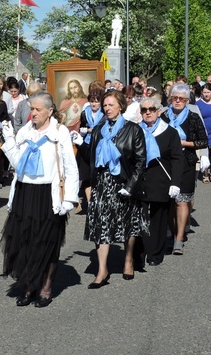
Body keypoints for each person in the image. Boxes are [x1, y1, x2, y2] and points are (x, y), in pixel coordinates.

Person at [0, 92, 79, 307]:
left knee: (47, 243)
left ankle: (45, 287)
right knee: (25, 242)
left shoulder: (60, 132)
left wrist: (69, 199)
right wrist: (8, 141)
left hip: (48, 195)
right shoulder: (26, 131)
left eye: (37, 110)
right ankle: (28, 286)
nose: (32, 113)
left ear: (50, 111)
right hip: (25, 193)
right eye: (31, 109)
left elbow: (71, 168)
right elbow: (18, 164)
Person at [77, 89, 146, 285]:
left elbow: (140, 161)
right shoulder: (99, 129)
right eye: (105, 105)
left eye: (110, 105)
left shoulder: (133, 129)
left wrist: (131, 186)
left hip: (124, 183)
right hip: (102, 183)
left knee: (128, 225)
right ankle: (102, 270)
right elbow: (92, 156)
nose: (106, 108)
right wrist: (81, 144)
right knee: (101, 226)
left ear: (121, 106)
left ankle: (128, 260)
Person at [137, 96, 184, 267]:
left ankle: (156, 252)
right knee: (139, 218)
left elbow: (178, 159)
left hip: (161, 181)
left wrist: (175, 183)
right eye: (144, 110)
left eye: (151, 109)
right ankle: (140, 252)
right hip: (140, 182)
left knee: (159, 218)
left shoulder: (170, 132)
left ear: (158, 111)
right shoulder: (135, 130)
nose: (148, 112)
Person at [161, 84, 207, 255]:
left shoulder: (193, 117)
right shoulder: (163, 116)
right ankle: (170, 232)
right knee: (169, 201)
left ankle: (179, 239)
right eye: (175, 98)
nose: (178, 101)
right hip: (166, 164)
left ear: (187, 101)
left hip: (186, 162)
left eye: (181, 99)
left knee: (181, 201)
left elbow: (203, 141)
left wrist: (183, 144)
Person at [76, 88, 105, 212]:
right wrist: (81, 132)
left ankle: (98, 201)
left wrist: (89, 130)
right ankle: (90, 203)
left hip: (99, 145)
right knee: (85, 175)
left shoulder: (104, 114)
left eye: (97, 101)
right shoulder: (84, 113)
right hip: (86, 144)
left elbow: (103, 130)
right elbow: (82, 126)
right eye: (92, 101)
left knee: (96, 174)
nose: (94, 104)